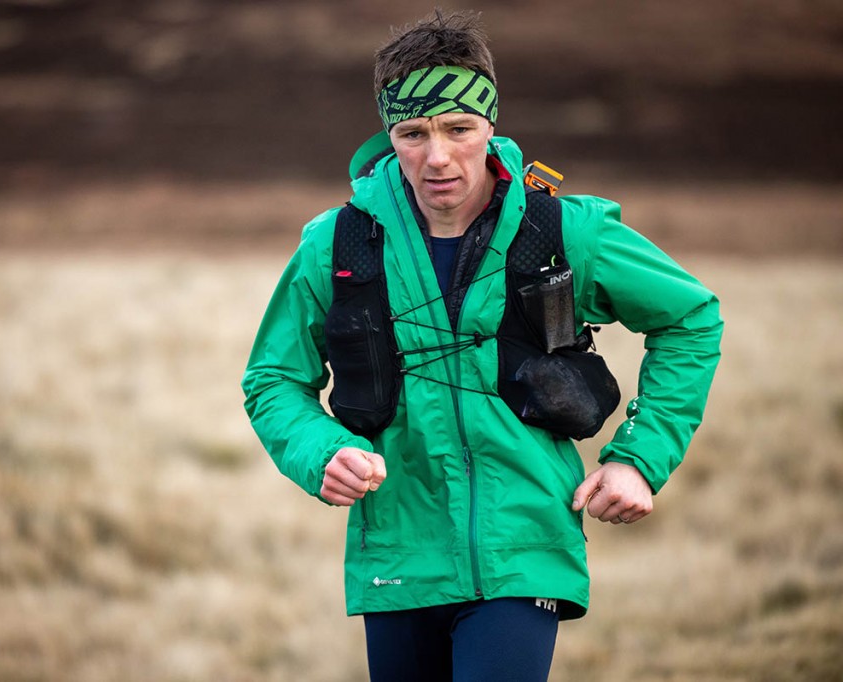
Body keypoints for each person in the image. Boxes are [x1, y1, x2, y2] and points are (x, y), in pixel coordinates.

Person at [242, 10, 722, 681]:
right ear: (389, 134)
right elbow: (272, 379)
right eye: (413, 134)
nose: (437, 156)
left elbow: (692, 318)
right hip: (397, 558)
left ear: (490, 125)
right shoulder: (337, 245)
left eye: (459, 129)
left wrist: (640, 458)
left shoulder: (567, 232)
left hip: (523, 551)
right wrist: (319, 451)